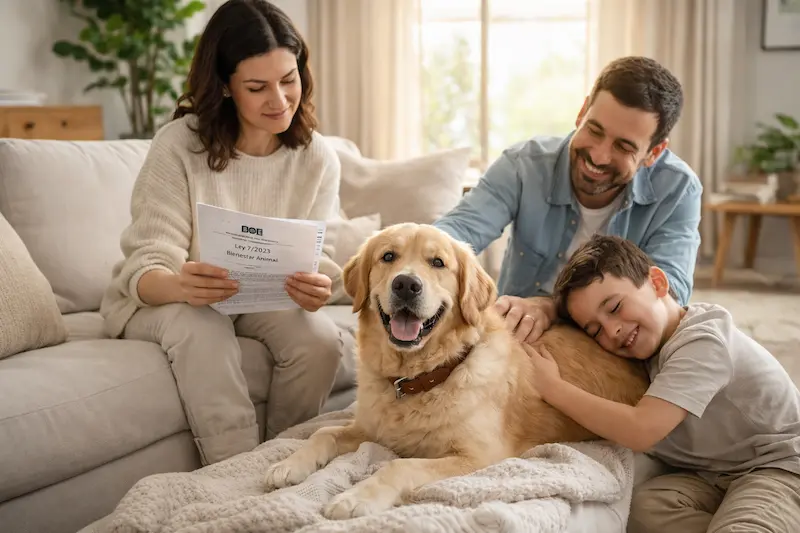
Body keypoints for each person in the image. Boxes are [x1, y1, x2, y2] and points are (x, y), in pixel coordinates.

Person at [100, 0, 352, 465]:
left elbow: (316, 255)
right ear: (225, 86)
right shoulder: (179, 145)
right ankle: (234, 471)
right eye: (257, 87)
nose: (279, 101)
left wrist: (317, 285)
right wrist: (181, 284)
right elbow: (146, 264)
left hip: (258, 297)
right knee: (203, 325)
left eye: (288, 79)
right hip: (164, 298)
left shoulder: (317, 157)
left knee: (319, 340)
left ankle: (284, 460)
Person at [524, 234, 800, 532]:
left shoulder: (704, 342)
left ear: (657, 282)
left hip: (779, 467)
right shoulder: (648, 351)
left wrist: (553, 387)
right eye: (595, 330)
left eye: (615, 307)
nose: (613, 330)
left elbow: (641, 430)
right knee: (642, 510)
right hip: (714, 474)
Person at [433, 56, 702, 345]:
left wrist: (552, 307)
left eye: (623, 146)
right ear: (582, 111)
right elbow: (460, 229)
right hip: (518, 333)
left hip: (612, 345)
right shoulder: (523, 165)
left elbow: (671, 291)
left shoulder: (678, 189)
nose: (598, 156)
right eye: (594, 130)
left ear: (654, 152)